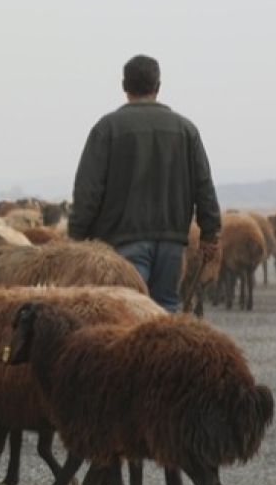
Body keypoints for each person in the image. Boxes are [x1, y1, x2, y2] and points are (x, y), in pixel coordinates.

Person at [67, 54, 222, 312]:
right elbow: (203, 185)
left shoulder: (107, 129)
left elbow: (87, 191)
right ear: (158, 86)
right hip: (172, 241)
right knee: (165, 310)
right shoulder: (186, 130)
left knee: (125, 312)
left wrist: (77, 237)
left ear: (124, 86)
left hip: (120, 242)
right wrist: (210, 232)